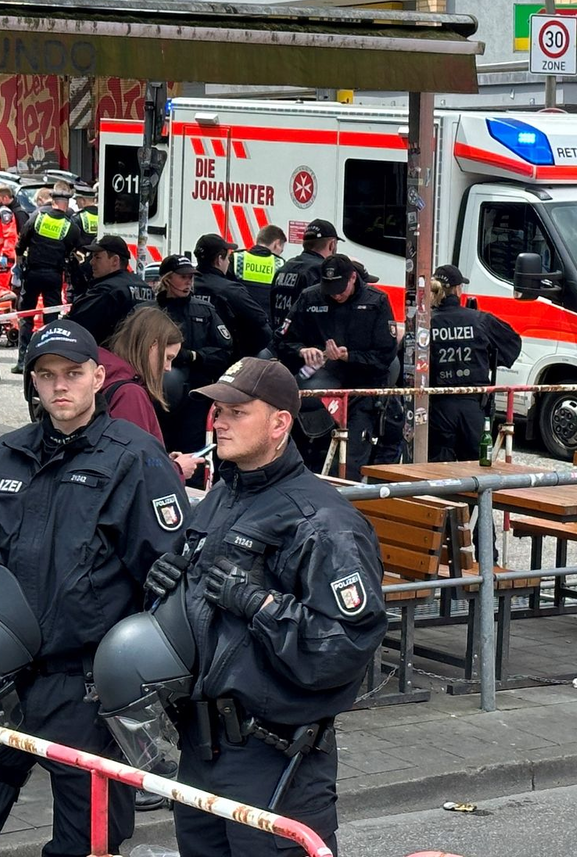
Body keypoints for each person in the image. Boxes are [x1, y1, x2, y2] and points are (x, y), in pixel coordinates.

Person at [0, 319, 189, 857]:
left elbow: (169, 576)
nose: (60, 386)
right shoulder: (0, 456)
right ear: (32, 382)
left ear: (97, 377)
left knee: (90, 843)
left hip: (84, 689)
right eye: (46, 375)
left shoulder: (137, 458)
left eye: (73, 373)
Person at [142, 357, 386, 857]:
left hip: (275, 756)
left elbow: (346, 645)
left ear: (279, 424)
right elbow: (199, 603)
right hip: (201, 744)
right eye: (217, 409)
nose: (219, 420)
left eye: (237, 411)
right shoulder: (224, 494)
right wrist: (164, 584)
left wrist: (261, 605)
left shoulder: (320, 520)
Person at [276, 253, 397, 479]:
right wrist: (302, 350)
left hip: (360, 390)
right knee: (308, 458)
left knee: (348, 463)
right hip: (319, 391)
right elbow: (282, 340)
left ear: (352, 278)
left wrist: (349, 356)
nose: (336, 295)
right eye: (330, 289)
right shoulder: (310, 297)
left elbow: (385, 355)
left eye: (340, 288)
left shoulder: (375, 301)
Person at [99, 306, 207, 483]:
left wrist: (161, 460)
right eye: (168, 357)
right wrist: (177, 469)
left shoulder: (107, 377)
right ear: (152, 345)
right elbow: (134, 467)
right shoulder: (129, 394)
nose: (168, 368)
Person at [427, 264, 521, 461]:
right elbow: (511, 345)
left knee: (437, 467)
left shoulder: (426, 322)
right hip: (473, 405)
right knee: (476, 467)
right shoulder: (479, 319)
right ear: (458, 290)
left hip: (438, 406)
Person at [155, 254, 232, 454]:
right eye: (183, 276)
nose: (188, 281)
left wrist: (193, 356)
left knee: (194, 452)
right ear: (167, 279)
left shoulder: (204, 310)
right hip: (158, 395)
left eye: (191, 277)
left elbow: (224, 351)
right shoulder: (149, 311)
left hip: (196, 396)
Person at [12, 187, 85, 371]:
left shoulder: (38, 217)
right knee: (51, 317)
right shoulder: (70, 226)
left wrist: (20, 261)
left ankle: (22, 361)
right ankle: (49, 357)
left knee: (26, 315)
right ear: (67, 204)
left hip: (33, 273)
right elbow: (75, 249)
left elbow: (22, 240)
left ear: (52, 201)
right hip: (54, 275)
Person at [193, 232, 273, 359]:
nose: (228, 263)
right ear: (219, 260)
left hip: (189, 357)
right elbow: (260, 322)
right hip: (225, 361)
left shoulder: (185, 287)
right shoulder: (231, 290)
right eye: (227, 258)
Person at [67, 234, 153, 346]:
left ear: (115, 261)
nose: (91, 262)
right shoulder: (145, 287)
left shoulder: (107, 290)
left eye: (97, 257)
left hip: (108, 355)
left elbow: (75, 324)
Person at [269, 218, 340, 332]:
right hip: (305, 345)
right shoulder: (321, 270)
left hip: (280, 339)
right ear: (332, 244)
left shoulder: (285, 267)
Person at [232, 224, 286, 313]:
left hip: (237, 320)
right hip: (265, 321)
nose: (280, 253)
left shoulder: (237, 258)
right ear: (276, 243)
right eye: (281, 249)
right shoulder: (280, 264)